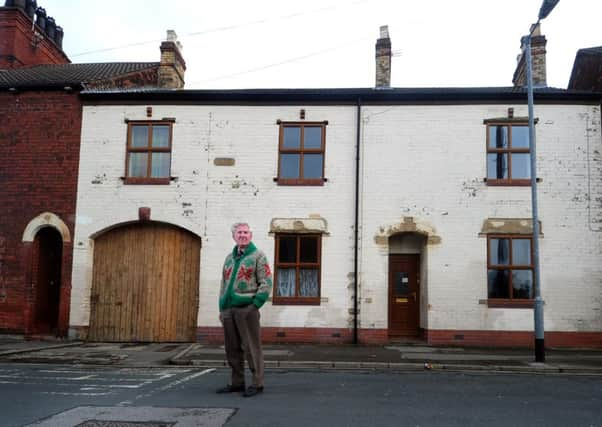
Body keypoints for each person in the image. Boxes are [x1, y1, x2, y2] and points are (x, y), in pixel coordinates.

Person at [216, 222, 272, 397]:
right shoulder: (229, 258)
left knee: (251, 347)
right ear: (234, 236)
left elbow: (266, 281)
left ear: (251, 235)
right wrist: (222, 307)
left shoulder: (258, 256)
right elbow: (223, 284)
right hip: (228, 310)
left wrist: (255, 304)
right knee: (232, 348)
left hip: (247, 309)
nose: (243, 235)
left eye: (246, 232)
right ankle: (237, 382)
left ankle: (257, 383)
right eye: (239, 232)